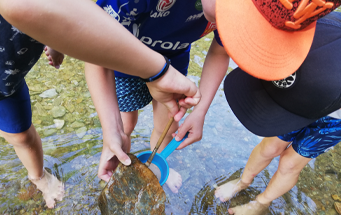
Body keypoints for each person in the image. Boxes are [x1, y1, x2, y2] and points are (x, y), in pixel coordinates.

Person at [84, 0, 230, 193]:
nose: (231, 19)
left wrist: (200, 111)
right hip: (122, 60)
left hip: (173, 62)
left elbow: (221, 50)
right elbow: (94, 44)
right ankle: (121, 162)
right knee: (124, 125)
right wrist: (111, 131)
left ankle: (156, 165)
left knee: (168, 127)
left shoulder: (234, 13)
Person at [215, 12, 341, 215]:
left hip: (335, 118)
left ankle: (261, 203)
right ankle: (243, 181)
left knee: (291, 163)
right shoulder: (324, 25)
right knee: (270, 145)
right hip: (302, 92)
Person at [0, 15, 65, 208]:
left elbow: (64, 7)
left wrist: (58, 40)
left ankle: (38, 176)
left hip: (8, 83)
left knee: (21, 137)